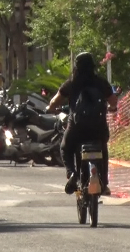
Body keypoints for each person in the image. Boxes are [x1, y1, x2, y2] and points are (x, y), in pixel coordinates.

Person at [46, 52, 117, 196]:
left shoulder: (72, 82)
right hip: (98, 128)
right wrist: (112, 108)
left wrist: (50, 108)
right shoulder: (100, 82)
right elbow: (113, 101)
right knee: (103, 150)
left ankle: (72, 173)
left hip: (77, 128)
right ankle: (104, 183)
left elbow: (54, 102)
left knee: (65, 147)